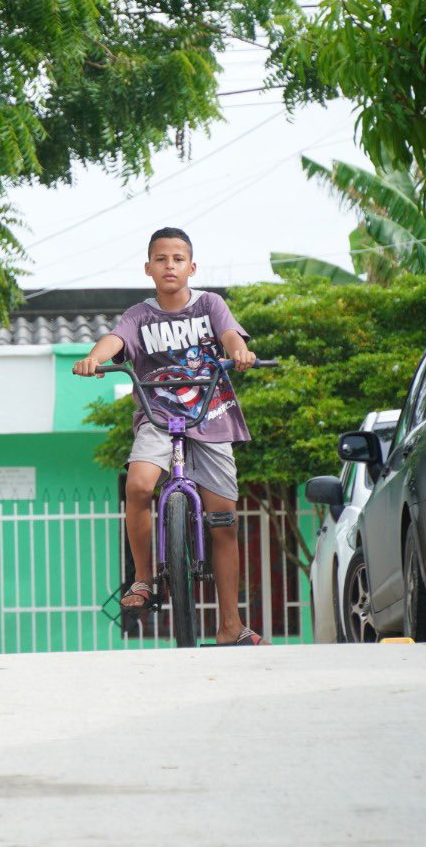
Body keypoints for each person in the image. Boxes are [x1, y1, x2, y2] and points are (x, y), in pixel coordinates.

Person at [71, 227, 266, 646]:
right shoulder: (140, 315)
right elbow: (115, 339)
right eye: (161, 259)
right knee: (139, 486)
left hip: (210, 415)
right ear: (148, 268)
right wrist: (93, 358)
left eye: (178, 259)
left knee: (223, 519)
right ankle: (143, 579)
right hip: (158, 416)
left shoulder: (210, 304)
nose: (170, 266)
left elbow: (231, 334)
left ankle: (230, 625)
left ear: (192, 267)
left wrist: (238, 352)